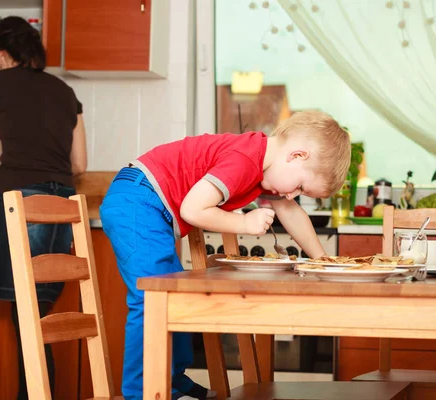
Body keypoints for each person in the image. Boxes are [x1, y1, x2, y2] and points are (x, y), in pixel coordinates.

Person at [100, 110, 351, 400]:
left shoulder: (262, 165)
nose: (293, 195)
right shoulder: (245, 159)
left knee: (174, 297)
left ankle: (171, 379)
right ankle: (140, 392)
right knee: (153, 298)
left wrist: (321, 259)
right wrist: (243, 223)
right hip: (136, 200)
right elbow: (192, 210)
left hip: (148, 205)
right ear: (296, 156)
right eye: (300, 187)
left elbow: (290, 213)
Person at [0, 16, 86, 400]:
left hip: (21, 201)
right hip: (62, 205)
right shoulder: (65, 91)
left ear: (2, 54)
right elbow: (80, 165)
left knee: (28, 315)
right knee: (38, 316)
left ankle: (36, 396)